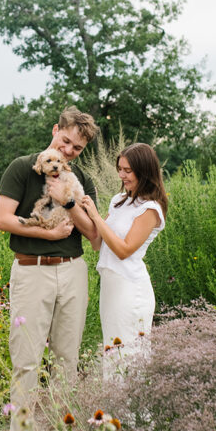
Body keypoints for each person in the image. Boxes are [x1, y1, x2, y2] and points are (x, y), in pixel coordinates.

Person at [0, 107, 99, 431]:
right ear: (56, 130)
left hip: (73, 271)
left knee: (66, 360)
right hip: (32, 269)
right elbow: (2, 219)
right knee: (26, 360)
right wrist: (47, 233)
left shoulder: (80, 179)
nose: (69, 152)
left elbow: (92, 233)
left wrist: (68, 203)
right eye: (66, 141)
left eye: (77, 148)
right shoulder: (22, 167)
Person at [80, 143, 167, 372]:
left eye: (127, 170)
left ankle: (133, 409)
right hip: (111, 287)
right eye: (120, 169)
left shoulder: (150, 208)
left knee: (128, 356)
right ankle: (113, 408)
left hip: (130, 290)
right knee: (113, 354)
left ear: (144, 171)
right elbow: (98, 243)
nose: (121, 175)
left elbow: (123, 250)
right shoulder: (119, 200)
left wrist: (96, 217)